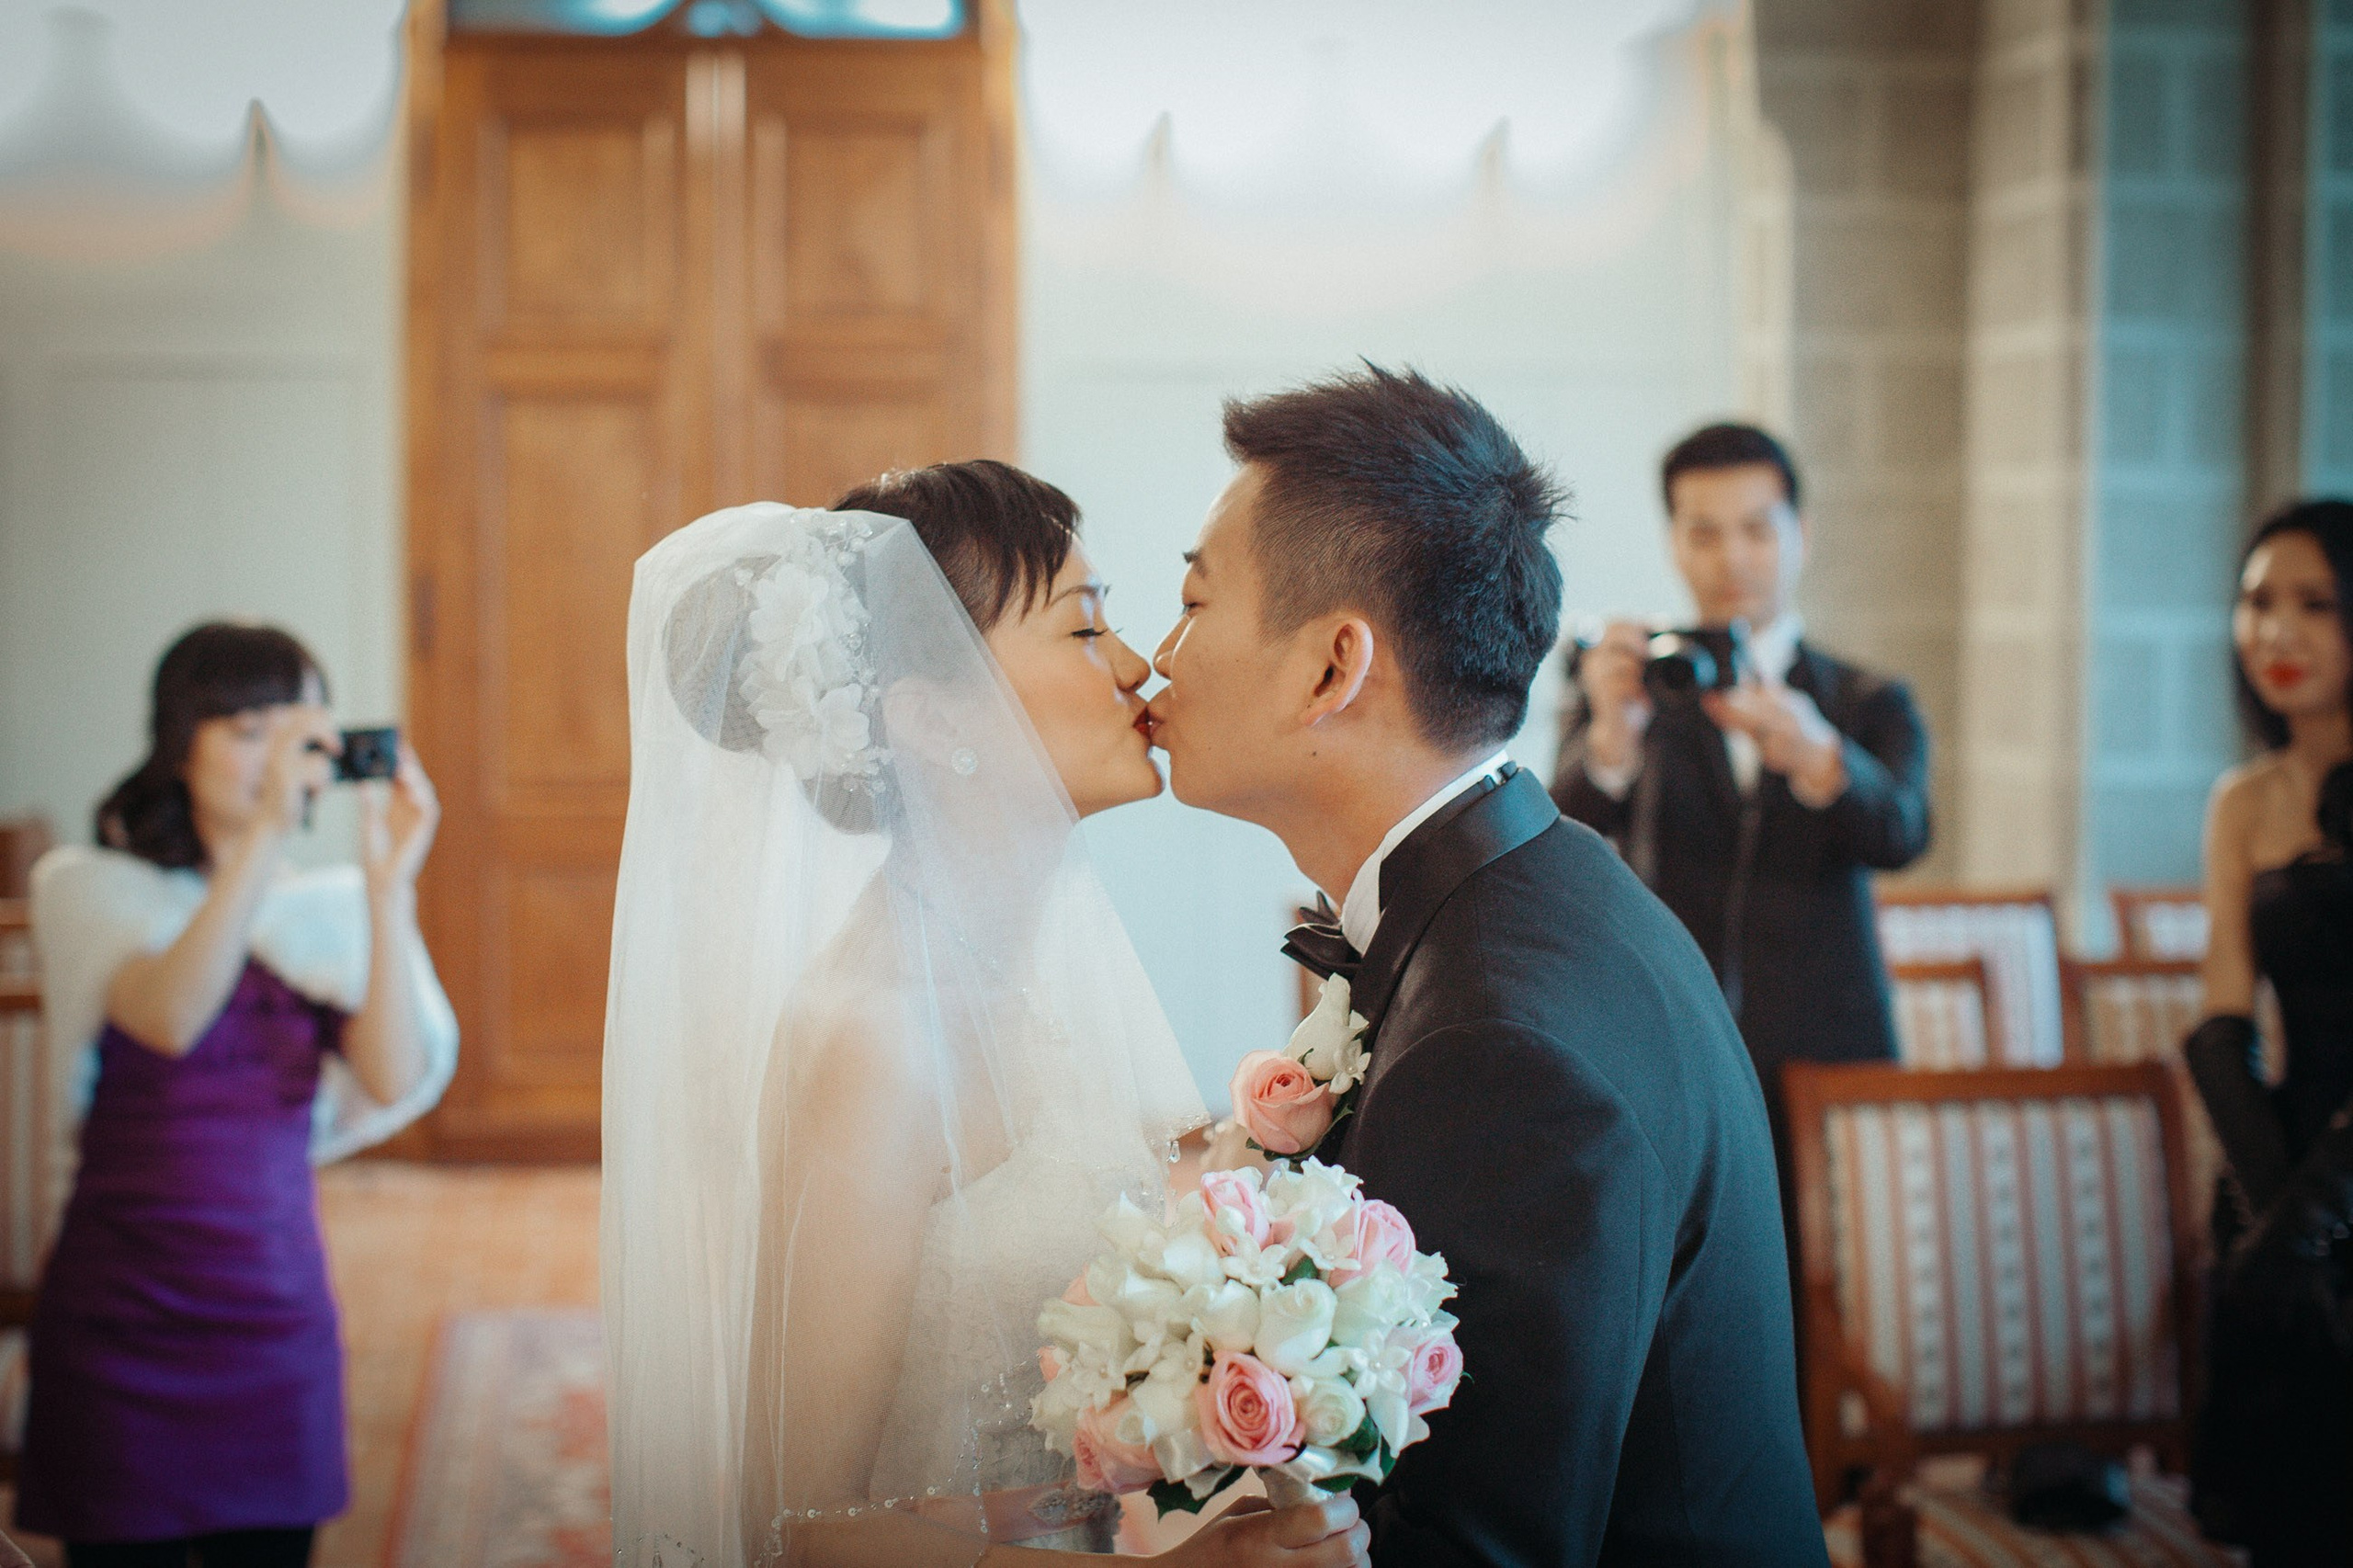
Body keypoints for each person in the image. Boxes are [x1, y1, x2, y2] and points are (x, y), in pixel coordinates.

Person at [600, 461, 1369, 1568]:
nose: (1137, 663)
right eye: (1081, 626)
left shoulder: (1023, 970)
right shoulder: (875, 1041)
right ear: (927, 712)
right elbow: (798, 1527)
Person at [1147, 369, 1826, 1566]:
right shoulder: (1545, 886)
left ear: (1331, 667)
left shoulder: (1499, 1047)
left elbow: (1475, 1547)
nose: (1160, 654)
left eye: (1194, 601)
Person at [18, 622, 458, 1567]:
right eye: (247, 727)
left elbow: (390, 1073)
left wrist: (388, 892)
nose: (274, 758)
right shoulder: (94, 890)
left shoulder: (326, 908)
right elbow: (172, 1014)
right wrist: (261, 837)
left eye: (293, 731)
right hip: (117, 1320)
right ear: (182, 742)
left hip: (272, 1314)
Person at [1551, 422, 1929, 1231]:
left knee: (1841, 1283)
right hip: (1670, 1045)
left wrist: (1822, 757)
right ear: (1674, 543)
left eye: (1758, 529)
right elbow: (1562, 840)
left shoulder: (1866, 699)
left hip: (1830, 1042)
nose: (1733, 559)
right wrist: (1614, 735)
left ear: (1801, 534)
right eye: (1705, 533)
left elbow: (1904, 832)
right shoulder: (1637, 686)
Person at [2182, 500, 2353, 1565]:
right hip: (2278, 1159)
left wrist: (2315, 1215)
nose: (2274, 632)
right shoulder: (2243, 797)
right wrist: (2272, 1216)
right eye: (2255, 602)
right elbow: (2222, 1014)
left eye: (2314, 603)